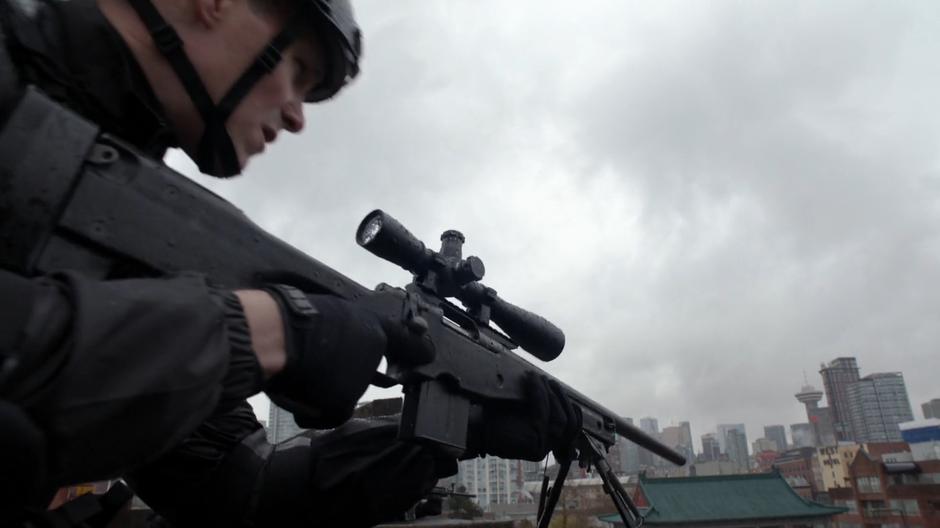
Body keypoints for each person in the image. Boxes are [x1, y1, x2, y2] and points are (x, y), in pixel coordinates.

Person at [0, 0, 577, 526]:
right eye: (298, 70)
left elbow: (243, 490)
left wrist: (449, 439)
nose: (298, 116)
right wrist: (264, 330)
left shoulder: (149, 235)